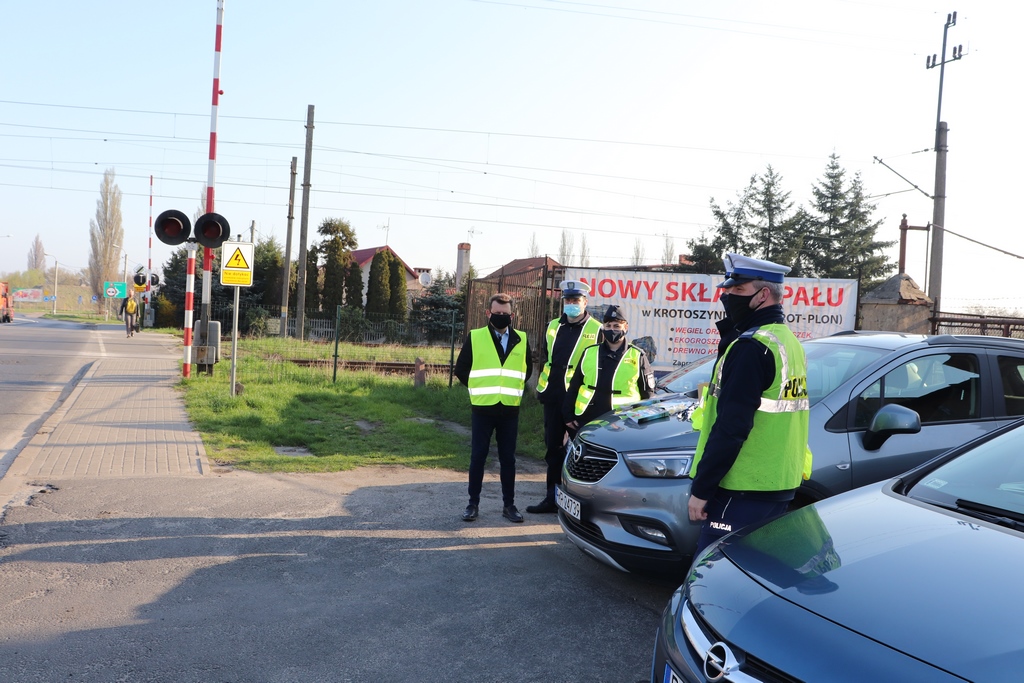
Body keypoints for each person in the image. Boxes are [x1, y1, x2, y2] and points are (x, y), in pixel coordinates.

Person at [687, 253, 811, 556]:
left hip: (741, 487)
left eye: (738, 290)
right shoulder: (786, 341)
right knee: (755, 571)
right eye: (728, 289)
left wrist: (702, 490)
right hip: (776, 485)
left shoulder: (751, 347)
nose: (727, 295)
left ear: (763, 295)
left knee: (713, 575)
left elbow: (732, 427)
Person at [454, 293, 533, 523]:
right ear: (488, 313)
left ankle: (509, 505)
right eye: (496, 313)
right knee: (478, 457)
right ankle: (472, 504)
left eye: (505, 314)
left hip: (509, 410)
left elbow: (526, 370)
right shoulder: (476, 337)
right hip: (483, 409)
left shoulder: (522, 339)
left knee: (508, 459)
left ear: (512, 315)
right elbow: (461, 369)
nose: (500, 317)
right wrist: (479, 388)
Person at [526, 280, 603, 514]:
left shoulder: (598, 329)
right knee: (552, 449)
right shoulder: (552, 326)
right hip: (553, 397)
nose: (571, 304)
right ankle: (552, 498)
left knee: (584, 453)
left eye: (575, 301)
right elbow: (547, 359)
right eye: (567, 300)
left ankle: (582, 503)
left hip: (580, 402)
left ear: (585, 302)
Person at [563, 305, 655, 439]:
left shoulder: (638, 356)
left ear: (625, 327)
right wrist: (568, 415)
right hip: (587, 417)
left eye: (617, 326)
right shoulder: (589, 352)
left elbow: (647, 394)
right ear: (603, 328)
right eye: (608, 326)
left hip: (623, 421)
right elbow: (574, 386)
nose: (612, 329)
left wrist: (644, 422)